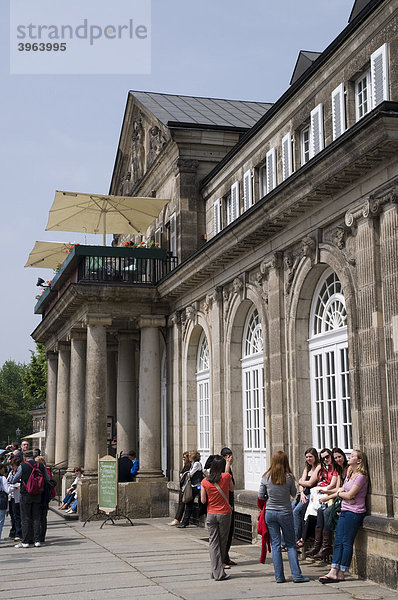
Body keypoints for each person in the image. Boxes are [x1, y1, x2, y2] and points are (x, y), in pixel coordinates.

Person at [258, 450, 309, 583]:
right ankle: (296, 575)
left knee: (275, 545)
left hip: (270, 512)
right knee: (291, 544)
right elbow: (293, 493)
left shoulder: (266, 476)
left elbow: (260, 496)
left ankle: (279, 577)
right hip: (285, 512)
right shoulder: (289, 477)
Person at [319, 449, 369, 584]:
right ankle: (334, 571)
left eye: (352, 456)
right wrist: (340, 495)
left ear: (359, 460)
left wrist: (344, 495)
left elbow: (348, 494)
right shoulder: (349, 472)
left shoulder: (361, 476)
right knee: (339, 541)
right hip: (345, 509)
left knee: (346, 542)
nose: (349, 457)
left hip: (355, 512)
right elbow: (343, 491)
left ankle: (340, 571)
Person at [201, 455, 234, 581]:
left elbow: (203, 500)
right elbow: (231, 488)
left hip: (211, 514)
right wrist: (228, 464)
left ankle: (215, 571)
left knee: (213, 543)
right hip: (224, 514)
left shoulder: (205, 481)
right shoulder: (225, 477)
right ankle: (219, 573)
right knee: (222, 543)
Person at [312, 447, 348, 561]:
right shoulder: (338, 469)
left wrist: (327, 494)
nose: (337, 459)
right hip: (338, 496)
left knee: (327, 511)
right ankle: (320, 545)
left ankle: (326, 546)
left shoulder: (347, 469)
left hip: (344, 498)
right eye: (336, 457)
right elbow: (338, 488)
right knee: (320, 510)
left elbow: (340, 489)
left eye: (339, 457)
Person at [299, 447, 338, 553]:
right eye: (323, 458)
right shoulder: (325, 468)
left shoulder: (334, 469)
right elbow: (304, 483)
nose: (325, 459)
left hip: (328, 495)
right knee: (304, 510)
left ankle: (320, 544)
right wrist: (302, 490)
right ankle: (315, 544)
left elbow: (332, 486)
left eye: (327, 457)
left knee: (312, 510)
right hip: (315, 493)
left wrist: (322, 491)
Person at [15, 450, 49, 548]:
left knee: (25, 518)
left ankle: (25, 541)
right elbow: (47, 478)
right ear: (33, 457)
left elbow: (15, 479)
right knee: (36, 517)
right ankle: (37, 540)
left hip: (25, 493)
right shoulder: (40, 465)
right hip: (38, 494)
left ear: (24, 457)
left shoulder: (23, 466)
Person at [293, 447, 321, 546]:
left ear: (315, 457)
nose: (308, 459)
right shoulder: (307, 467)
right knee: (291, 508)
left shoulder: (318, 466)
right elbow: (301, 484)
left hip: (312, 494)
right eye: (307, 457)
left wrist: (300, 482)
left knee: (296, 511)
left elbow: (309, 483)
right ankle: (288, 538)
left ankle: (296, 538)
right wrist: (301, 492)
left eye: (311, 457)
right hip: (303, 493)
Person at [220, 447, 237, 568]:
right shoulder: (222, 468)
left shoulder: (228, 467)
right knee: (226, 532)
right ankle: (223, 559)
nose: (232, 458)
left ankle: (226, 556)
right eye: (230, 456)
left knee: (230, 530)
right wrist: (227, 464)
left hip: (230, 500)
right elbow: (225, 481)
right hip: (226, 502)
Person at [178, 450, 203, 528]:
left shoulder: (197, 464)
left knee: (189, 502)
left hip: (197, 486)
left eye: (189, 456)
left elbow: (190, 474)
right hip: (193, 485)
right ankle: (185, 521)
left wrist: (184, 474)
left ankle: (185, 522)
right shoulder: (193, 464)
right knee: (189, 503)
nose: (188, 458)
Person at [168, 451, 191, 526]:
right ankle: (177, 519)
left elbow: (185, 475)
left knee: (182, 503)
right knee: (181, 503)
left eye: (184, 457)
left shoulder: (190, 465)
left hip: (187, 487)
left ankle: (178, 519)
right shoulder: (186, 465)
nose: (183, 459)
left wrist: (182, 475)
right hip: (183, 486)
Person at [7, 457, 22, 541]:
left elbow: (20, 483)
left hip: (17, 497)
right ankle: (13, 532)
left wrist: (15, 485)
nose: (12, 468)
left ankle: (18, 533)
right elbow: (8, 481)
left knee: (17, 516)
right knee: (12, 515)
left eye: (14, 466)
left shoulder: (19, 473)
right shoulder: (11, 473)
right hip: (11, 496)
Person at [0, 464, 10, 542]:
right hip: (1, 501)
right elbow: (7, 490)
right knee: (0, 521)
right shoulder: (2, 478)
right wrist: (14, 487)